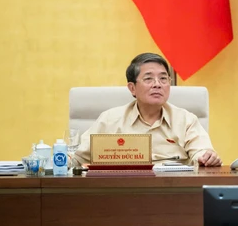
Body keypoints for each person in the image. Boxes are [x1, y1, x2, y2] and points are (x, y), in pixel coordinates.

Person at [72, 53, 221, 167]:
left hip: (172, 190)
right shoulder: (110, 120)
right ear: (132, 88)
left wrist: (206, 158)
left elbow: (201, 153)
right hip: (122, 191)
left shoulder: (186, 120)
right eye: (148, 79)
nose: (157, 84)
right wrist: (63, 158)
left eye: (163, 79)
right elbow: (77, 157)